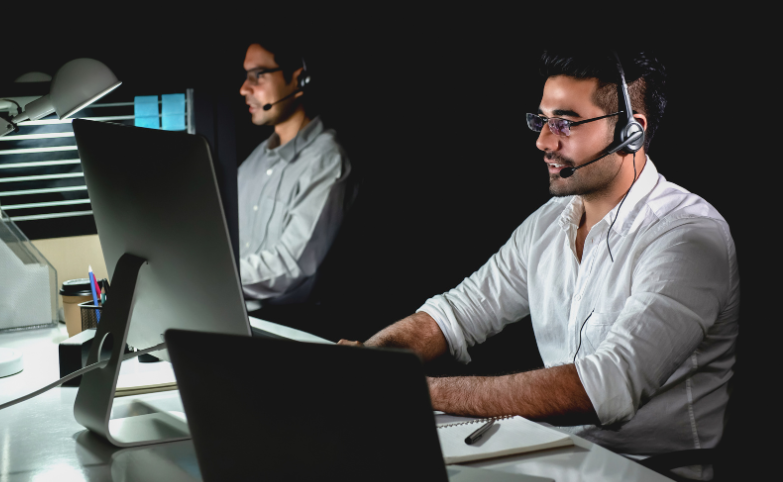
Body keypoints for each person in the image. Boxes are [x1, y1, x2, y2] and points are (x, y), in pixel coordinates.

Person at [339, 50, 737, 481]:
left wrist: (410, 391)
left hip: (646, 473)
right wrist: (369, 366)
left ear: (631, 131)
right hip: (557, 460)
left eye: (565, 123)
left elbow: (604, 387)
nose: (544, 142)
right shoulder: (551, 221)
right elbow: (457, 312)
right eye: (542, 120)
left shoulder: (689, 238)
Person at [237, 37, 350, 310]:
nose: (243, 89)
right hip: (233, 313)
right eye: (245, 76)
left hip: (285, 330)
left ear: (300, 80)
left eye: (258, 75)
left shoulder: (325, 159)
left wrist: (213, 274)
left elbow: (290, 264)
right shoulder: (254, 161)